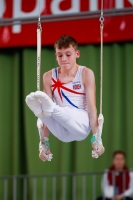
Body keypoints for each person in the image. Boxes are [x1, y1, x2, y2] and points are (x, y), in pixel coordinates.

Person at [25, 35, 105, 162]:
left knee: (52, 109)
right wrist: (44, 145)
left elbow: (92, 109)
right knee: (46, 113)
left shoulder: (85, 73)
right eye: (60, 55)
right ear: (56, 56)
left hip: (81, 124)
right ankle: (42, 109)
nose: (64, 59)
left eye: (68, 54)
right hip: (62, 129)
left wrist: (97, 138)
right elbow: (48, 117)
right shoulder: (48, 76)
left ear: (77, 54)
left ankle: (50, 107)